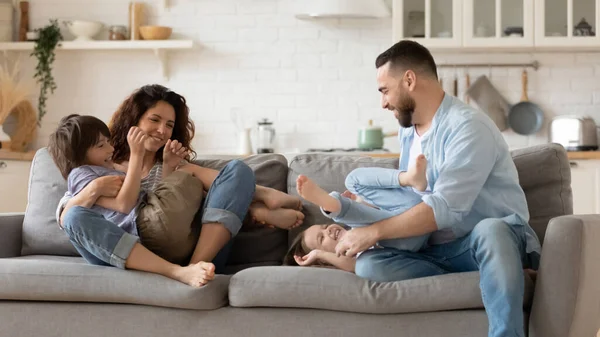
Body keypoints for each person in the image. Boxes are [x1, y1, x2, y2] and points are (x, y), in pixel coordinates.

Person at [330, 40, 541, 337]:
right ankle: (496, 276)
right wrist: (370, 208)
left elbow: (446, 207)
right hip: (436, 250)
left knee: (490, 230)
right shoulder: (409, 131)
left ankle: (503, 296)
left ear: (409, 80)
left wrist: (374, 232)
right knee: (370, 265)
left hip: (486, 239)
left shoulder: (468, 126)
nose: (383, 103)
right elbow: (413, 198)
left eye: (384, 90)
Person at [57, 84, 304, 274]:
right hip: (125, 252)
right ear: (133, 121)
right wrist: (93, 189)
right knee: (74, 215)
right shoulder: (103, 166)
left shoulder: (175, 164)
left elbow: (225, 190)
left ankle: (195, 266)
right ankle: (257, 209)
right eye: (154, 120)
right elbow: (68, 213)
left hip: (195, 255)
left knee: (237, 171)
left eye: (169, 125)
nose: (162, 130)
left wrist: (170, 169)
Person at [49, 114, 215, 287]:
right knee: (74, 216)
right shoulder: (80, 174)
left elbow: (139, 201)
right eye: (101, 145)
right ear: (78, 155)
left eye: (108, 141)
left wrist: (167, 167)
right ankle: (176, 272)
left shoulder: (110, 170)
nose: (110, 149)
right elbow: (124, 205)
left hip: (140, 237)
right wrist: (137, 154)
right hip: (112, 248)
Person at [293, 152, 430, 254]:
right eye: (321, 238)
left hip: (414, 206)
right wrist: (320, 256)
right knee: (350, 213)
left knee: (353, 180)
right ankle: (330, 205)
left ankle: (409, 178)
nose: (327, 230)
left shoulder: (355, 224)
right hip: (407, 238)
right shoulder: (352, 258)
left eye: (325, 226)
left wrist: (361, 202)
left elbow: (382, 214)